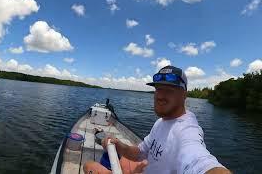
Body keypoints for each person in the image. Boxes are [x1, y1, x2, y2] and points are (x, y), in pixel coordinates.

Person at [83, 65, 231, 174]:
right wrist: (120, 146)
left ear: (184, 95)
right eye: (158, 89)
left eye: (169, 90)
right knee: (125, 159)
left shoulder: (187, 130)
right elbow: (141, 152)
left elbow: (199, 161)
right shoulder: (162, 122)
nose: (160, 95)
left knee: (89, 165)